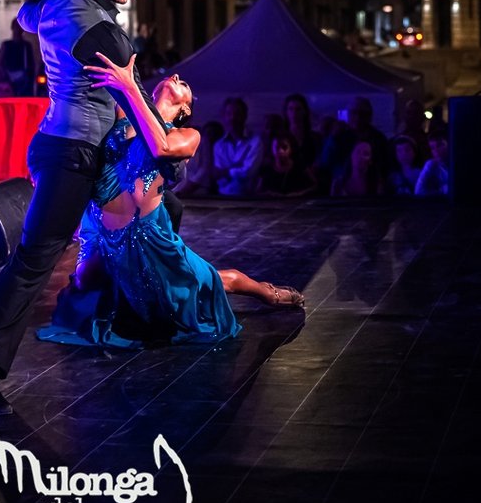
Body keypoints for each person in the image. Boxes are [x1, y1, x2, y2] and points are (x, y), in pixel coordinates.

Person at [0, 0, 173, 415]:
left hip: (64, 144)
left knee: (162, 212)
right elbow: (136, 110)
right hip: (74, 155)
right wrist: (171, 141)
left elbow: (24, 13)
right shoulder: (105, 36)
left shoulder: (54, 5)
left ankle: (130, 314)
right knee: (33, 261)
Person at [38, 56, 303, 349]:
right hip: (101, 232)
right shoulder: (122, 113)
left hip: (149, 239)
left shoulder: (187, 134)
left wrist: (130, 90)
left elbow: (161, 148)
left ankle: (266, 292)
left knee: (212, 282)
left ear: (185, 108)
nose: (176, 75)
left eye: (184, 84)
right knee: (84, 283)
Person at [214, 97, 262, 195]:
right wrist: (237, 169)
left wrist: (227, 172)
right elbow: (219, 176)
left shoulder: (255, 141)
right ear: (224, 117)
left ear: (245, 116)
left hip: (249, 196)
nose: (233, 118)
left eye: (237, 114)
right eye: (229, 114)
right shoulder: (219, 145)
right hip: (223, 195)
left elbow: (249, 172)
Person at [0, 21, 35, 96]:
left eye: (19, 27)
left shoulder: (26, 45)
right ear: (12, 28)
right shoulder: (6, 44)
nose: (17, 30)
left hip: (23, 77)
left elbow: (31, 63)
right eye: (16, 27)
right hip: (8, 76)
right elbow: (1, 61)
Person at [415, 130, 450, 196]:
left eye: (440, 145)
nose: (436, 150)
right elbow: (418, 192)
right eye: (432, 148)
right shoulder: (431, 165)